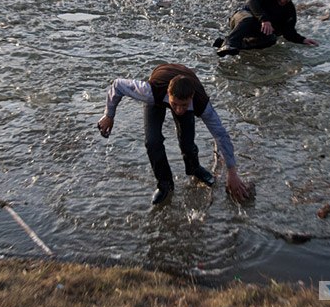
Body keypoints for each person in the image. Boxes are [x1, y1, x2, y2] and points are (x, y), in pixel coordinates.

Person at [97, 63, 251, 205]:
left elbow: (220, 134)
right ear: (168, 94)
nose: (178, 110)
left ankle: (194, 168)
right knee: (152, 142)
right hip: (158, 90)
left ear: (191, 98)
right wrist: (109, 115)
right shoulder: (150, 91)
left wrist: (232, 172)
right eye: (174, 104)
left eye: (183, 105)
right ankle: (165, 184)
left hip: (187, 80)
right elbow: (117, 85)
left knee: (187, 142)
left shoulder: (200, 102)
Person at [214, 0, 319, 57]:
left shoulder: (289, 10)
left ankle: (231, 44)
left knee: (271, 39)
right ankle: (228, 43)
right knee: (248, 19)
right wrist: (264, 19)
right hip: (241, 19)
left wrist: (302, 40)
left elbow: (288, 32)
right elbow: (252, 3)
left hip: (256, 29)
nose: (283, 1)